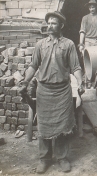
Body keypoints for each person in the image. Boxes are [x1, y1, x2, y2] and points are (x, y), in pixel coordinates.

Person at [20, 11, 84, 173]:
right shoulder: (40, 45)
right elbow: (33, 66)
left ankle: (62, 158)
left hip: (63, 91)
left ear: (61, 26)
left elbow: (76, 67)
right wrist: (25, 82)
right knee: (44, 125)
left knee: (63, 126)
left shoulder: (69, 44)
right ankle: (44, 158)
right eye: (48, 23)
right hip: (44, 91)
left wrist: (80, 81)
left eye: (53, 23)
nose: (49, 26)